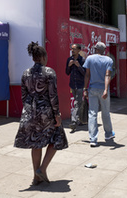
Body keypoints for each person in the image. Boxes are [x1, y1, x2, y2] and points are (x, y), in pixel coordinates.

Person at [14, 42, 68, 185]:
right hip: (46, 112)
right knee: (58, 138)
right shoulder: (49, 72)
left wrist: (29, 111)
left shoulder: (26, 73)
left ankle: (36, 178)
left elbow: (24, 96)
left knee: (35, 143)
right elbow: (53, 95)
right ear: (44, 57)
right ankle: (42, 170)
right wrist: (57, 114)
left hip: (30, 112)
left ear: (33, 58)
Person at [83, 42, 115, 147]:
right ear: (104, 50)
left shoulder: (90, 59)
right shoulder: (109, 60)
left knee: (92, 113)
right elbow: (107, 74)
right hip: (103, 89)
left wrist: (85, 88)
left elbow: (87, 75)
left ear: (96, 49)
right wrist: (106, 89)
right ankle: (108, 134)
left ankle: (93, 139)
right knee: (105, 113)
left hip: (92, 88)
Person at [65, 43, 86, 132]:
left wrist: (79, 66)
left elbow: (85, 73)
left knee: (77, 103)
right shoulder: (69, 59)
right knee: (79, 103)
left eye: (74, 49)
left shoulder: (82, 60)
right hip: (73, 85)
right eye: (71, 49)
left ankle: (73, 121)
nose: (72, 50)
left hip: (80, 85)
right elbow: (67, 72)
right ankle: (80, 120)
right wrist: (69, 66)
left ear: (78, 50)